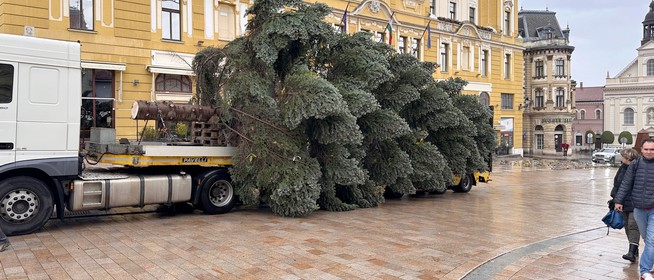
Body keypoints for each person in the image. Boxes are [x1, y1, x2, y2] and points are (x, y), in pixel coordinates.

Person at [615, 138, 654, 280]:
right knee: (646, 238)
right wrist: (618, 200)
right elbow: (626, 183)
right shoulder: (636, 165)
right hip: (639, 208)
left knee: (651, 240)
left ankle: (645, 271)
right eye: (646, 149)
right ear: (641, 150)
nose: (649, 152)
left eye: (652, 149)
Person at [610, 148, 641, 263]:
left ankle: (632, 252)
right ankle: (634, 247)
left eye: (622, 156)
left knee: (633, 225)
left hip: (634, 202)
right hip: (622, 202)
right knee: (627, 226)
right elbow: (617, 184)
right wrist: (615, 199)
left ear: (628, 158)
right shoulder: (622, 168)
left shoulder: (638, 168)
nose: (621, 158)